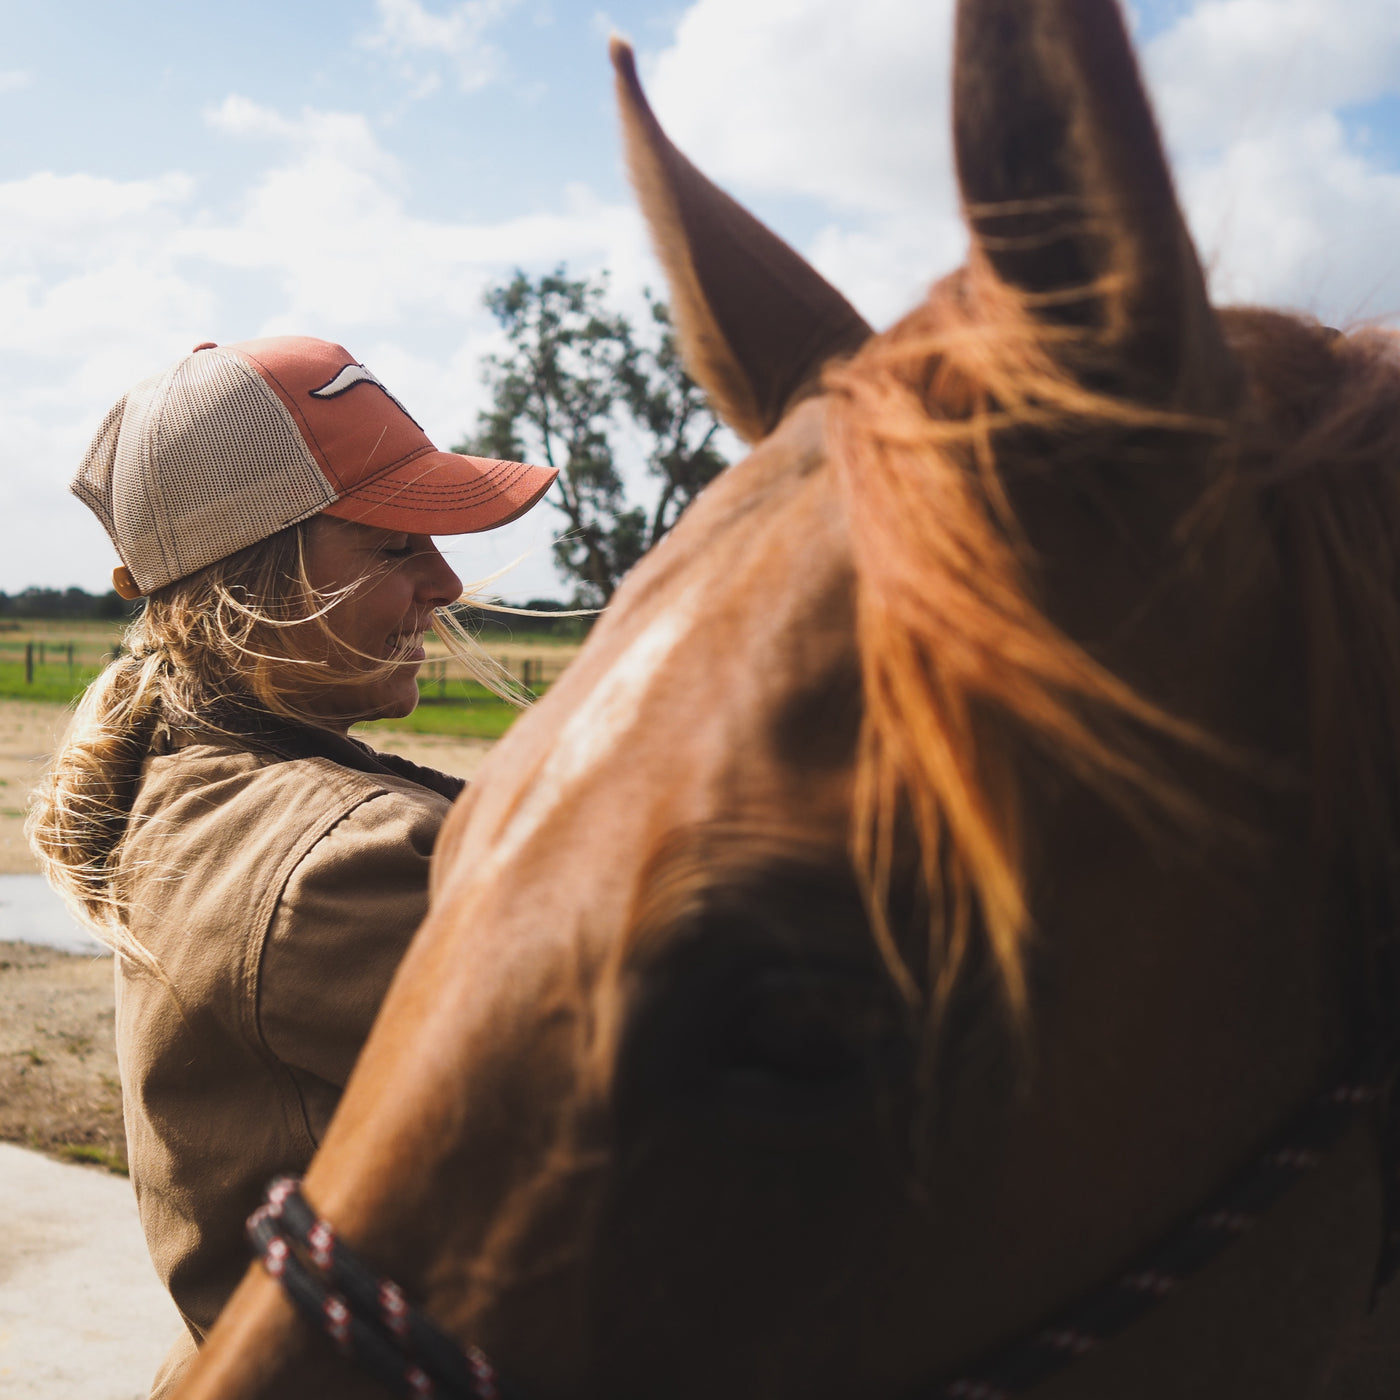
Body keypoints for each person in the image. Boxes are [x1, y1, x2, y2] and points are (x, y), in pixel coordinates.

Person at [27, 336, 556, 1397]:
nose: (444, 580)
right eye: (393, 544)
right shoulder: (334, 866)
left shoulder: (212, 781)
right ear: (253, 577)